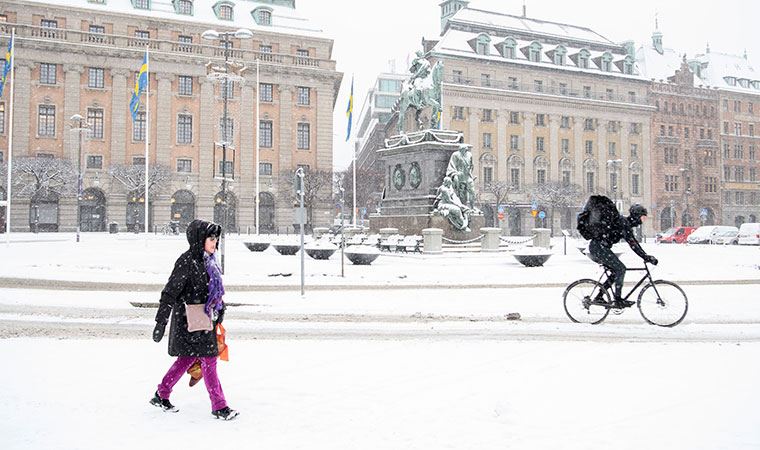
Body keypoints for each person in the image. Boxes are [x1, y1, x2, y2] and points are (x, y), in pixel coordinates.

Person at [149, 219, 239, 420]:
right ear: (199, 239)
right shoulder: (187, 261)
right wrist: (161, 322)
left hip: (204, 320)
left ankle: (161, 393)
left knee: (187, 359)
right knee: (208, 360)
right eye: (211, 238)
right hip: (188, 321)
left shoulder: (209, 262)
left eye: (216, 239)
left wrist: (220, 308)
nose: (214, 242)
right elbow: (170, 292)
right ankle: (219, 405)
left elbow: (213, 292)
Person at [588, 204, 658, 308]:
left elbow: (633, 242)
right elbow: (633, 244)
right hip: (598, 248)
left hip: (600, 247)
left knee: (615, 272)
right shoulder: (624, 224)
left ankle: (599, 296)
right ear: (636, 216)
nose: (642, 221)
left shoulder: (625, 224)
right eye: (642, 218)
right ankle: (618, 300)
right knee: (620, 269)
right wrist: (645, 257)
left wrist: (645, 256)